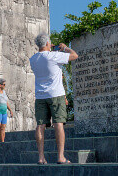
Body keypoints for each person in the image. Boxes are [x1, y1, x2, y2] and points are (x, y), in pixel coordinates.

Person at [29, 33, 78, 165]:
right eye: (49, 43)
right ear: (46, 44)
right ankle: (60, 157)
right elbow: (75, 55)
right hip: (56, 94)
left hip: (40, 96)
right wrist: (65, 48)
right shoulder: (54, 56)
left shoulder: (32, 59)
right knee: (58, 124)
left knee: (40, 125)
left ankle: (41, 157)